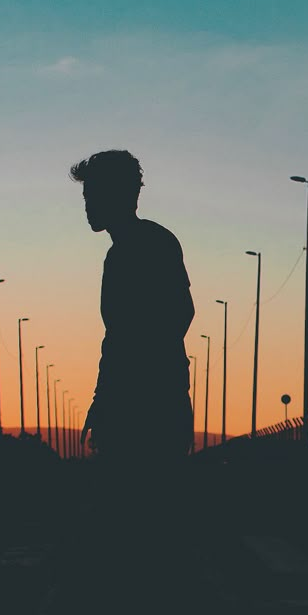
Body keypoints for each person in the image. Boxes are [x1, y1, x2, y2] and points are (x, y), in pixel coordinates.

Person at [70, 149, 194, 466]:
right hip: (143, 398)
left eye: (93, 195)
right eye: (85, 197)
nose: (87, 206)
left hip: (147, 404)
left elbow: (178, 314)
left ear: (121, 195)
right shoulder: (131, 248)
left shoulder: (150, 244)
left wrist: (123, 392)